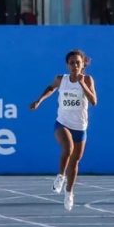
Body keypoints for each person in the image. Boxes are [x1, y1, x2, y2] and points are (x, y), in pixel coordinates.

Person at [29, 50, 97, 211]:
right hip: (62, 123)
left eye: (77, 63)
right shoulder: (61, 79)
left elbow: (94, 101)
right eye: (72, 63)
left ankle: (69, 193)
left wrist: (82, 84)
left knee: (75, 161)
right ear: (67, 65)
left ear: (83, 65)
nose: (74, 66)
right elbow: (50, 88)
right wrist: (39, 100)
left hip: (80, 126)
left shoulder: (87, 79)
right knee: (68, 148)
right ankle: (60, 176)